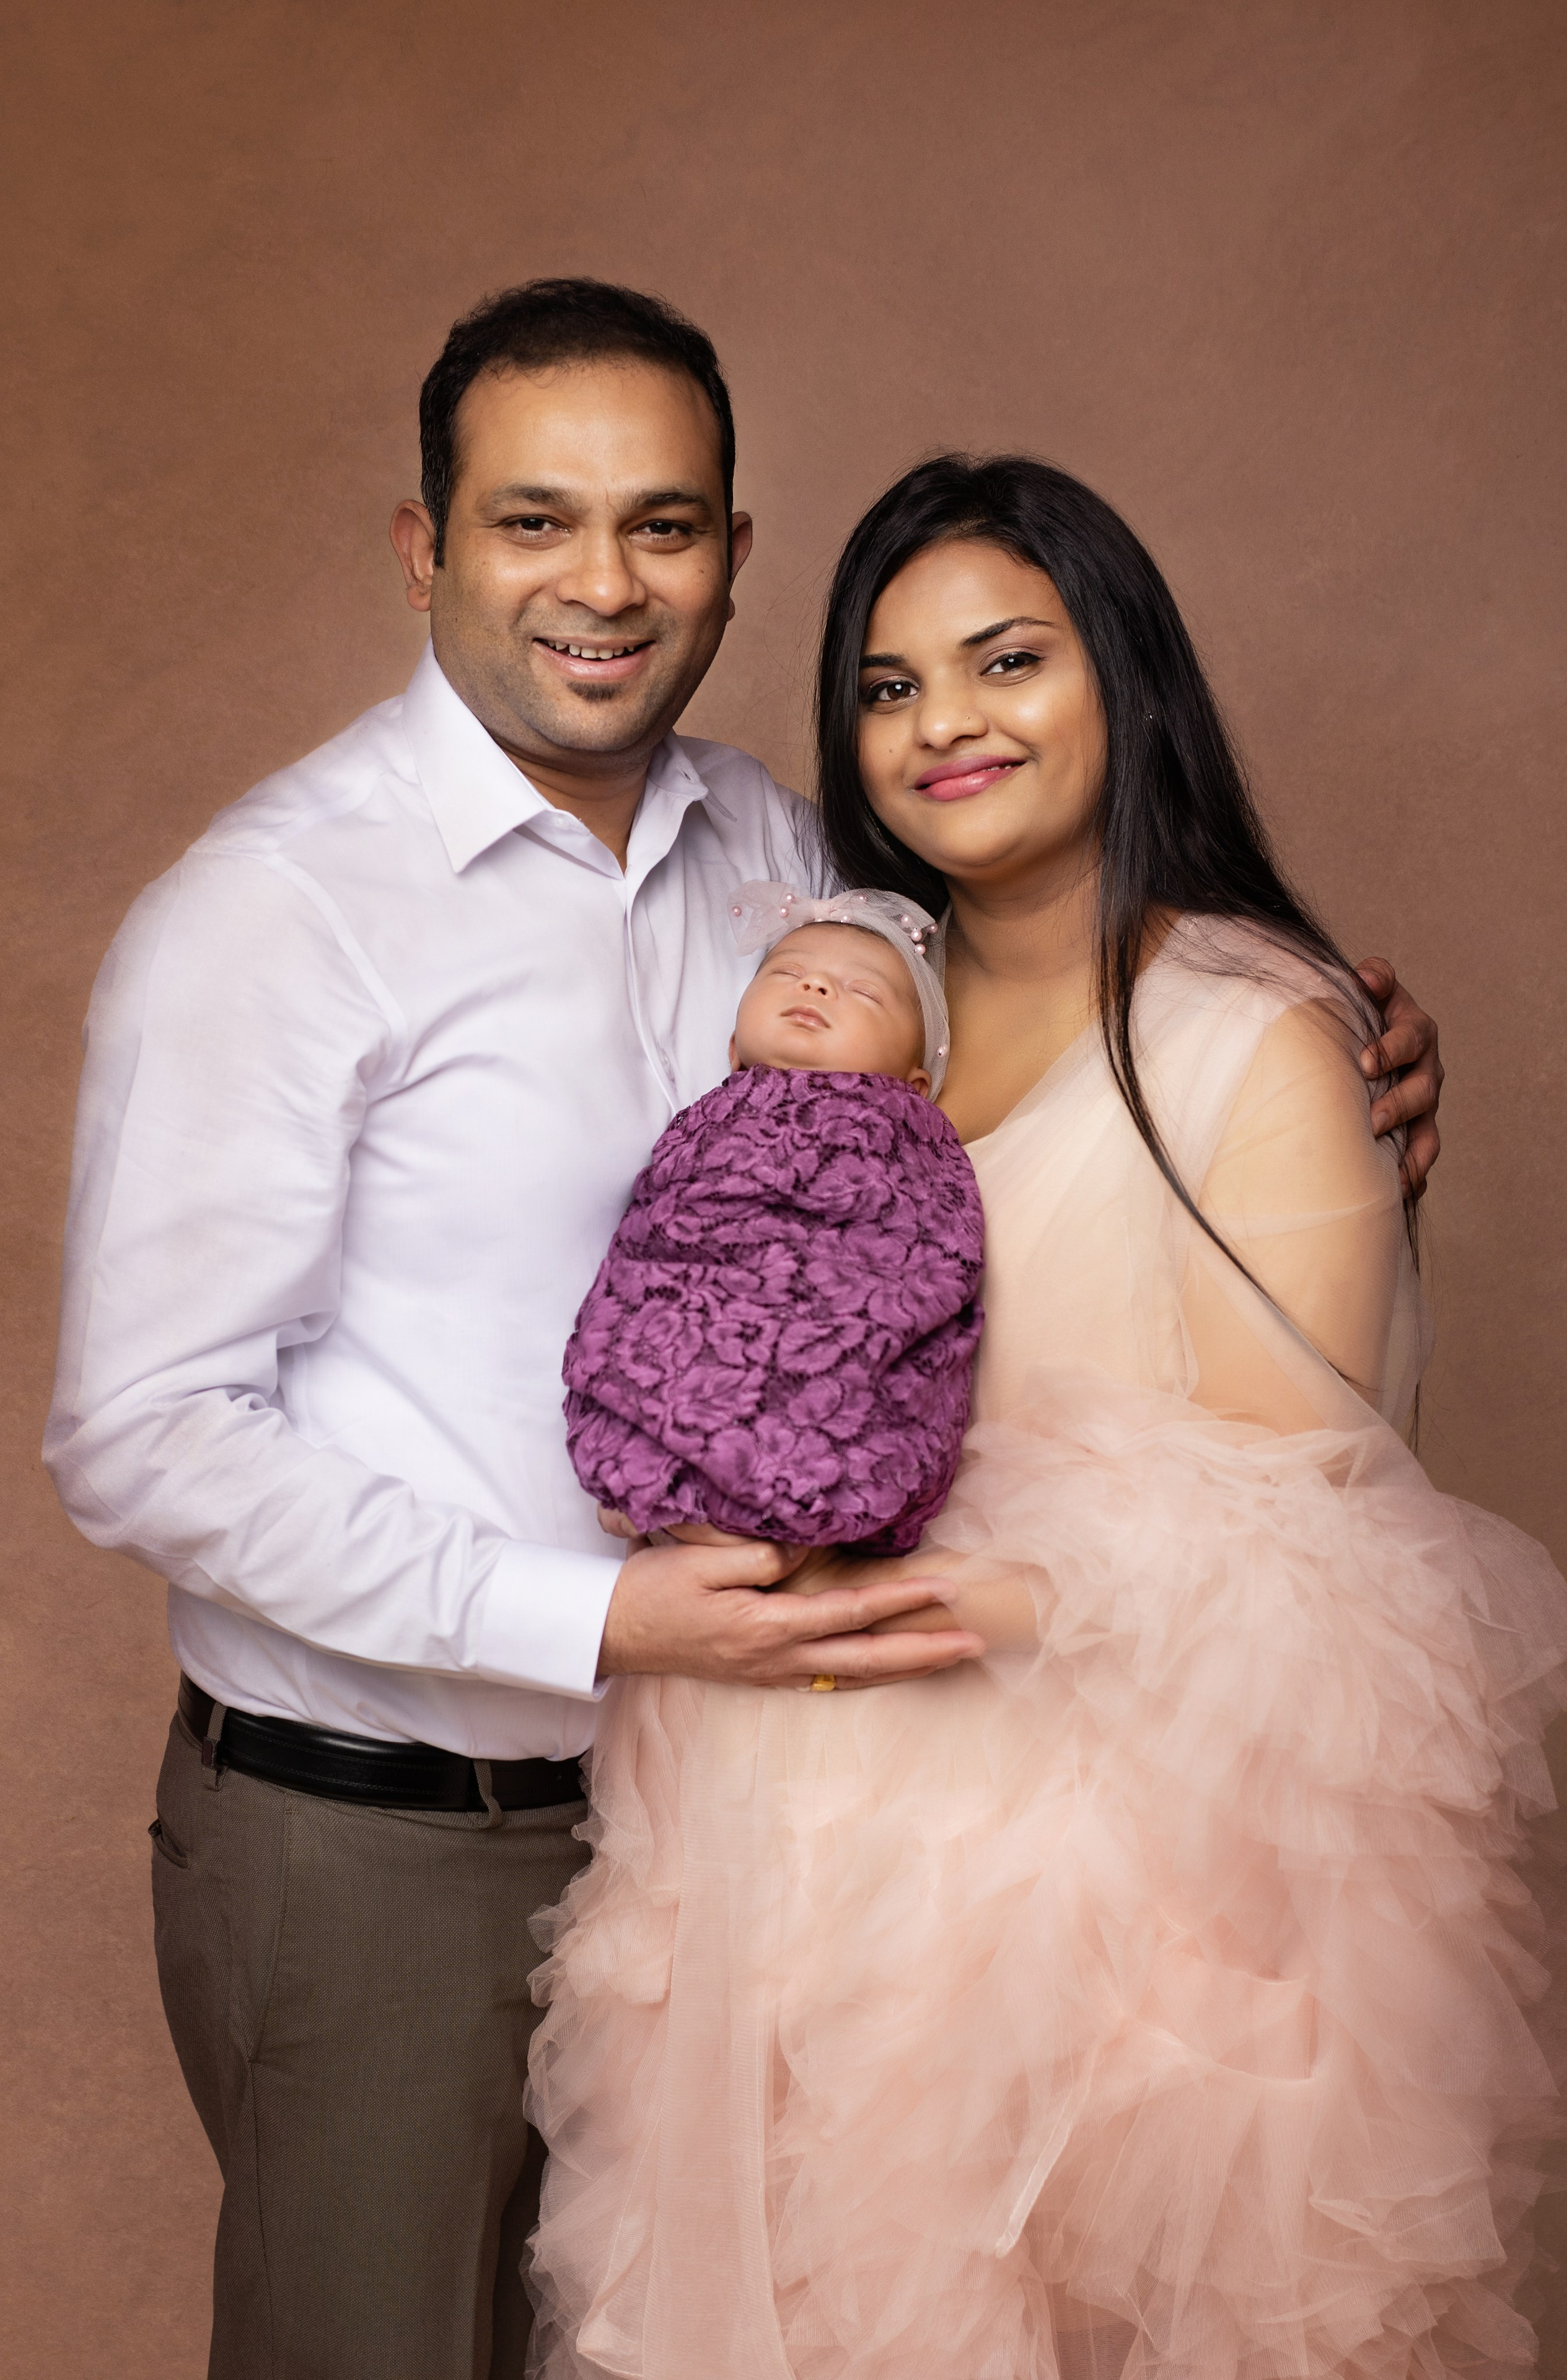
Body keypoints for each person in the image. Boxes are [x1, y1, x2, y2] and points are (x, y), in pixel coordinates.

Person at [524, 455, 1567, 2380]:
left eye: (1006, 659)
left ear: (1125, 674)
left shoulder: (1250, 1032)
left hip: (1107, 1913)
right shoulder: (836, 1017)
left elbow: (1319, 1542)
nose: (946, 721)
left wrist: (932, 1600)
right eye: (889, 684)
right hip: (788, 1872)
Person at [42, 281, 994, 2380]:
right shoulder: (278, 908)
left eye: (665, 525)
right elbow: (140, 1433)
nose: (605, 584)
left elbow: (1009, 1026)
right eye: (535, 520)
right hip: (388, 1850)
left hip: (720, 1825)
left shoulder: (780, 849)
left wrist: (1304, 1027)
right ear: (426, 548)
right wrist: (596, 1622)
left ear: (736, 557)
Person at [563, 885, 984, 1559]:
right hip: (698, 1306)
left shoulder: (907, 1139)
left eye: (864, 992)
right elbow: (659, 1232)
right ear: (733, 1049)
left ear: (914, 1087)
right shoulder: (711, 1115)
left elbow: (925, 1258)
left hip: (830, 1319)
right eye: (787, 973)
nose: (815, 985)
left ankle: (753, 1503)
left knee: (837, 1370)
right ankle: (665, 1473)